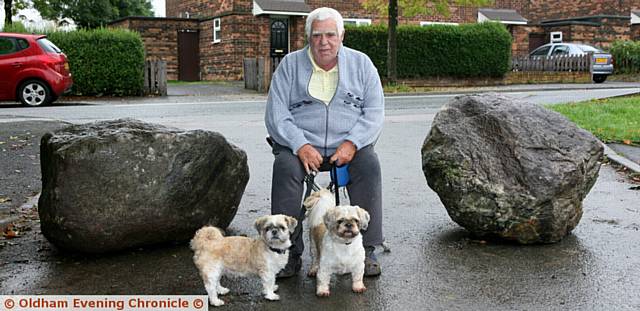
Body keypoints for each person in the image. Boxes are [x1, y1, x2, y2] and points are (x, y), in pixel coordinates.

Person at [264, 7, 384, 278]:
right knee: (284, 166)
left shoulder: (362, 64)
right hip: (301, 146)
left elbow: (374, 112)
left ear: (342, 35)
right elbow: (277, 114)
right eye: (317, 35)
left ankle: (367, 249)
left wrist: (353, 142)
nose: (324, 42)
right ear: (308, 37)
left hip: (348, 146)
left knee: (369, 164)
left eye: (331, 34)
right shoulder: (289, 66)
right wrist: (299, 145)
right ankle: (287, 253)